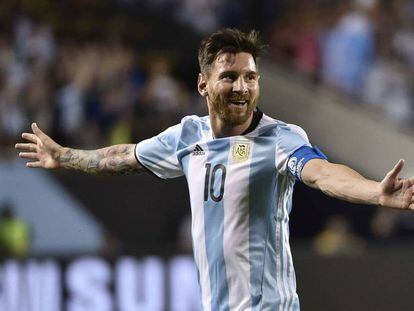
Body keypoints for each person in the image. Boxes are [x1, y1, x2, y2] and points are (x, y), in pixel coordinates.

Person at [15, 29, 414, 311]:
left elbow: (322, 174)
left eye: (250, 77)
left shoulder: (281, 139)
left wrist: (373, 193)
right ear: (203, 84)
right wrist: (64, 156)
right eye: (230, 76)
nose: (242, 87)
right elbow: (123, 156)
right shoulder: (187, 136)